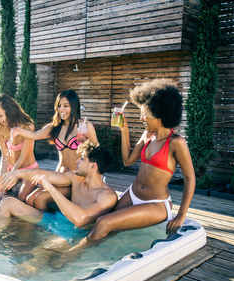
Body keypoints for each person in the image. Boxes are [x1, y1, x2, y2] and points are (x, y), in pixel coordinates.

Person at [74, 79, 195, 251]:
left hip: (156, 203)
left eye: (145, 113)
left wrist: (181, 216)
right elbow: (128, 160)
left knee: (104, 222)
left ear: (159, 113)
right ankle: (91, 250)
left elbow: (190, 179)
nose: (141, 118)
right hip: (132, 193)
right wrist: (124, 130)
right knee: (103, 219)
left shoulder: (176, 142)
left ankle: (73, 254)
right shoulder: (148, 135)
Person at [0, 142, 117, 276]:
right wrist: (17, 173)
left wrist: (51, 189)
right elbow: (44, 174)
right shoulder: (75, 178)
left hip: (72, 232)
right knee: (7, 203)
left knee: (42, 251)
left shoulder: (107, 196)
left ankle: (14, 279)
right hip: (55, 218)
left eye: (82, 158)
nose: (77, 161)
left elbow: (80, 219)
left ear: (93, 166)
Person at [10, 89, 98, 209]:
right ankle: (40, 224)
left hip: (75, 178)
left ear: (74, 106)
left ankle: (47, 226)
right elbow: (35, 135)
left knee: (40, 198)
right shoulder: (55, 127)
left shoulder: (85, 127)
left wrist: (87, 144)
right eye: (59, 106)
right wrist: (18, 131)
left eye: (65, 106)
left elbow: (98, 152)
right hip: (58, 175)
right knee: (30, 199)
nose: (61, 109)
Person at [0, 94, 39, 201]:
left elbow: (23, 156)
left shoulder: (27, 127)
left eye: (0, 115)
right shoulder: (0, 129)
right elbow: (5, 156)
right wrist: (1, 176)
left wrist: (12, 174)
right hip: (11, 168)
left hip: (29, 169)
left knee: (22, 197)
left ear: (9, 112)